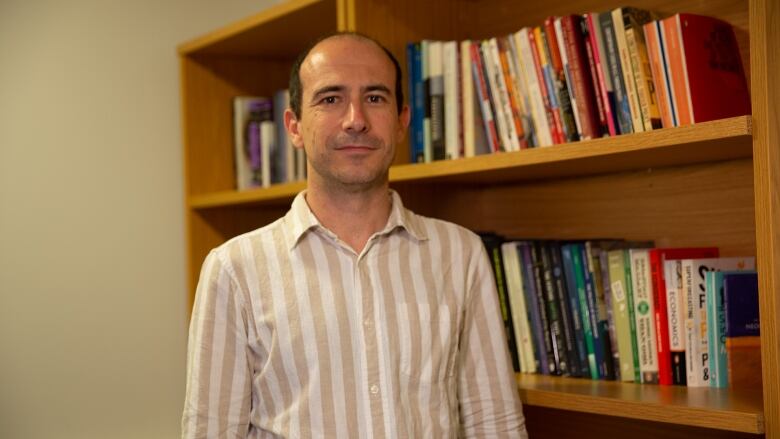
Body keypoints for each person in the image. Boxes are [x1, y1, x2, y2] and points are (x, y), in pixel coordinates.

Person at [182, 32, 527, 438]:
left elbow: (496, 425)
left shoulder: (460, 254)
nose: (355, 119)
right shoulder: (233, 270)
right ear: (294, 126)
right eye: (331, 99)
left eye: (375, 97)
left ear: (402, 122)